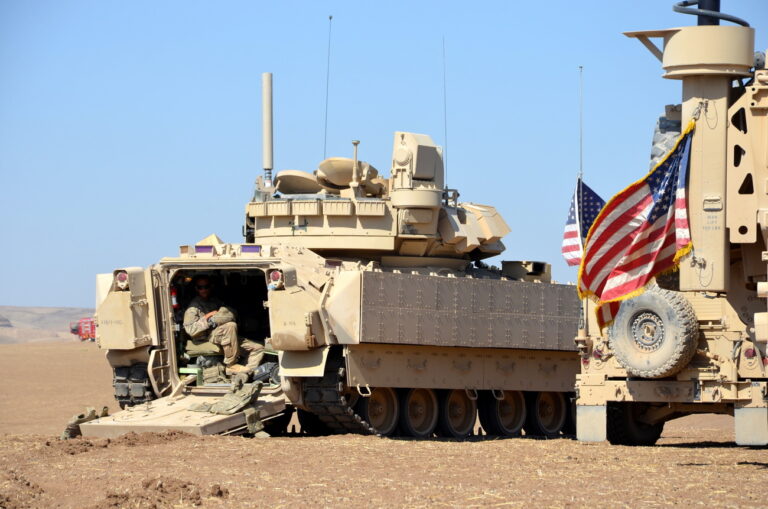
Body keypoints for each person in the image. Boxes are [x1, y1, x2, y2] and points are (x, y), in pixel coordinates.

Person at [183, 276, 263, 374]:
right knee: (230, 326)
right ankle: (231, 364)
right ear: (196, 289)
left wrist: (221, 316)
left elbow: (228, 313)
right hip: (206, 337)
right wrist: (208, 319)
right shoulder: (193, 307)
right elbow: (191, 330)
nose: (204, 290)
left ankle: (244, 374)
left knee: (258, 348)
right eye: (200, 287)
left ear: (210, 287)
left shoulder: (215, 301)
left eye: (206, 286)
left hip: (222, 334)